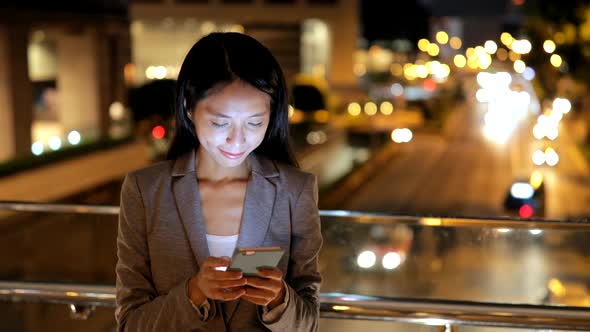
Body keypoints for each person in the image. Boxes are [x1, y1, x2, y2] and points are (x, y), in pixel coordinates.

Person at [115, 32, 323, 332]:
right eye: (220, 122)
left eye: (254, 122)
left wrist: (280, 299)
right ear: (188, 107)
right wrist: (195, 292)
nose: (237, 140)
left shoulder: (294, 190)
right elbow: (130, 325)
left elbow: (309, 324)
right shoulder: (145, 190)